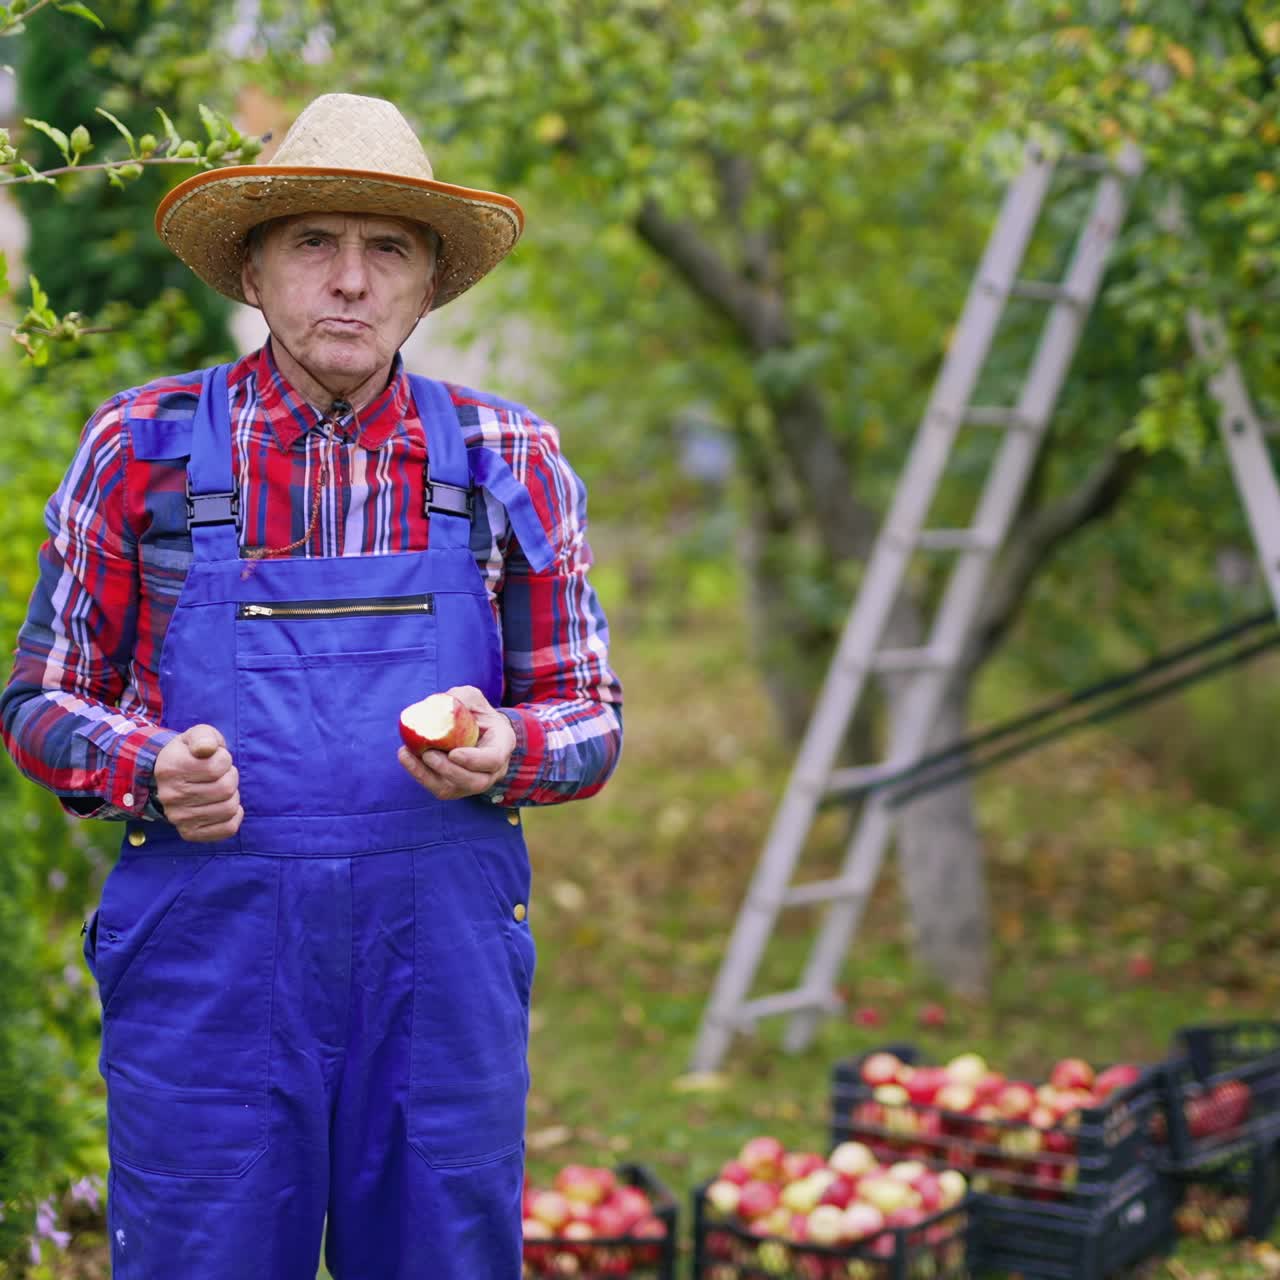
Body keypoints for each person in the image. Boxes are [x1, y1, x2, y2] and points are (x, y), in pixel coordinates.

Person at [0, 92, 622, 1280]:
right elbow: (39, 698)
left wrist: (514, 748)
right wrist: (147, 767)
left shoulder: (509, 458)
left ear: (428, 281)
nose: (350, 279)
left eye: (386, 247)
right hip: (210, 965)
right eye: (313, 244)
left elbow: (588, 712)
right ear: (253, 267)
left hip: (436, 972)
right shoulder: (142, 448)